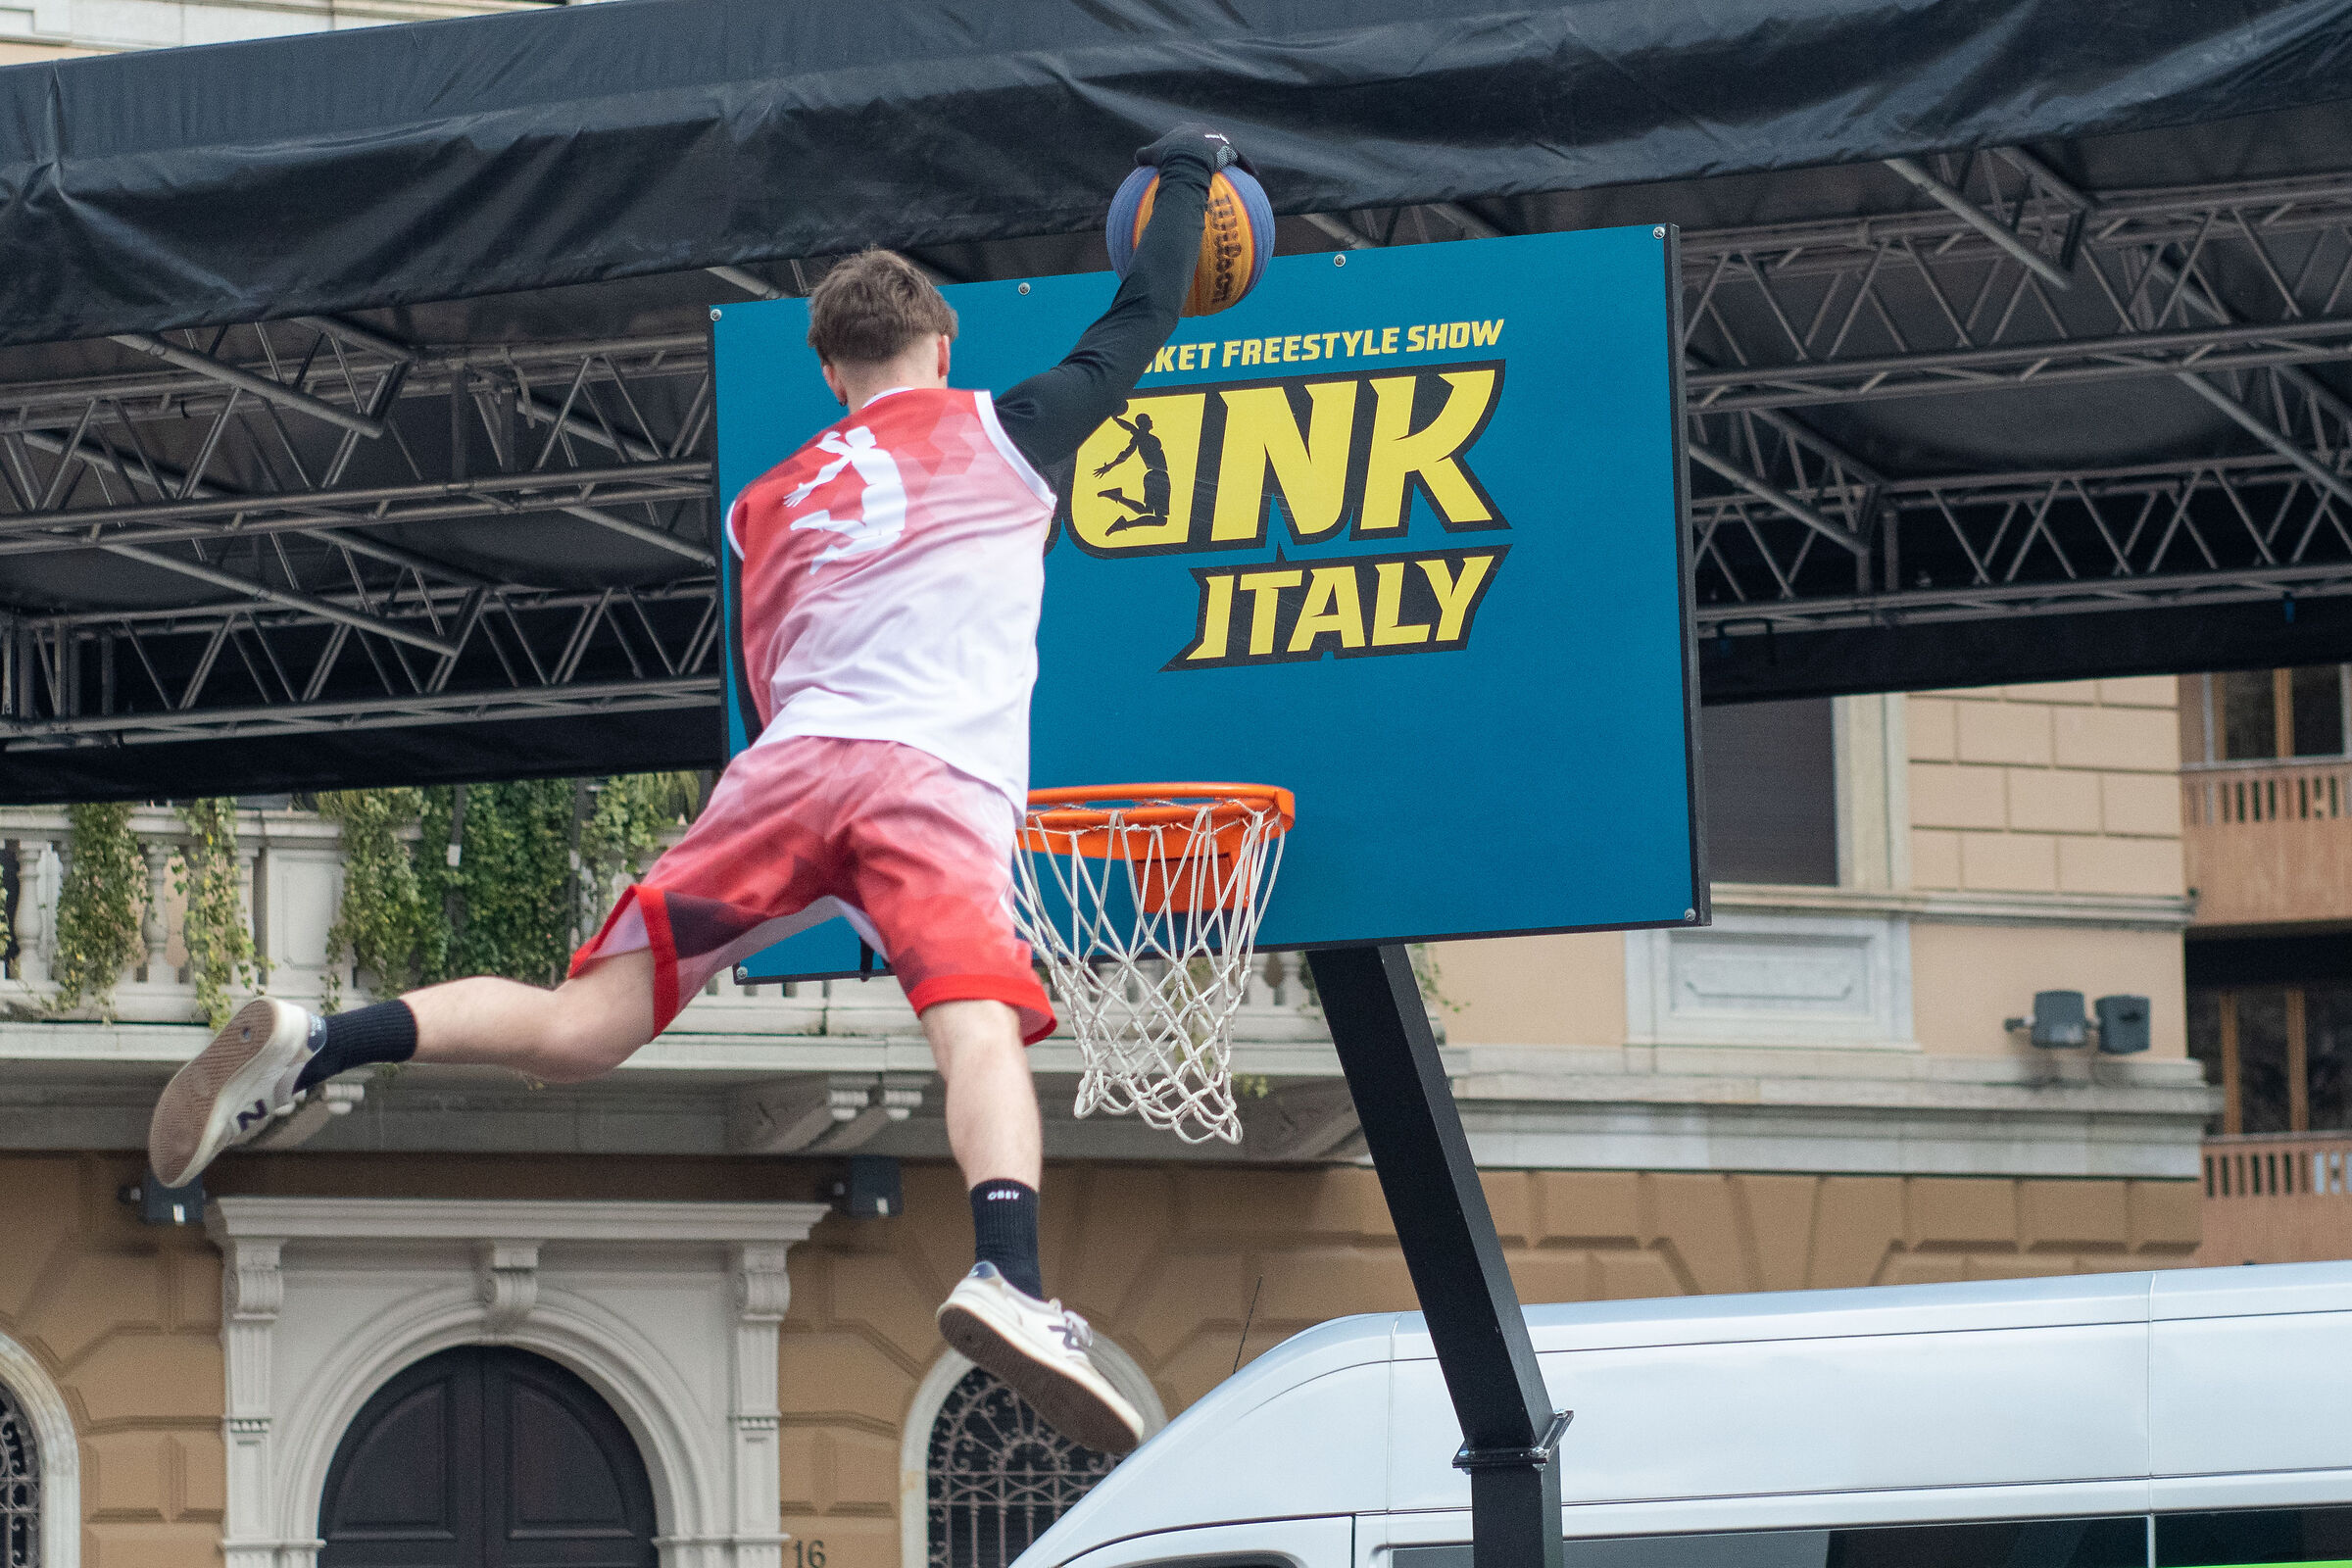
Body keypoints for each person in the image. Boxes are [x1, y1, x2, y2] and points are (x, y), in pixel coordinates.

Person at [144, 123, 1248, 1457]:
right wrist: (1187, 170)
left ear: (826, 366)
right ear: (942, 349)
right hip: (928, 781)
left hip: (784, 778)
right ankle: (1008, 1272)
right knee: (977, 1035)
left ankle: (327, 1040)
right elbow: (1141, 316)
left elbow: (775, 677)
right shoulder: (1009, 432)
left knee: (580, 1027)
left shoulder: (771, 504)